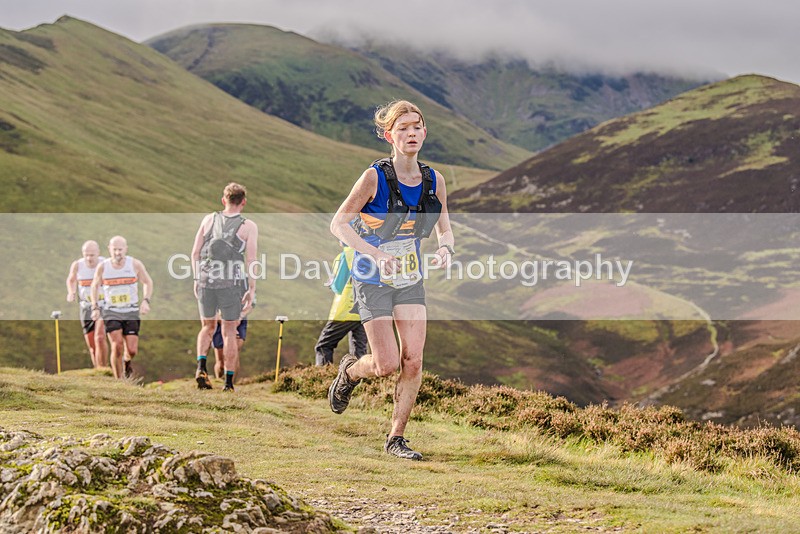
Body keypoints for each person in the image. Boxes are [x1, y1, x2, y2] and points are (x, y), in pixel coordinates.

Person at [328, 100, 455, 460]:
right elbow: (338, 224)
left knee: (413, 360)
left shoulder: (434, 180)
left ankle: (396, 438)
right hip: (371, 277)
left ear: (424, 132)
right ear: (389, 135)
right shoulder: (374, 177)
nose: (411, 133)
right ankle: (351, 371)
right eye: (403, 128)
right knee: (386, 365)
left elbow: (445, 229)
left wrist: (447, 249)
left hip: (410, 279)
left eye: (417, 126)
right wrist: (377, 255)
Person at [192, 182, 258, 392]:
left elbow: (195, 253)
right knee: (229, 331)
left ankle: (201, 367)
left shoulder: (208, 219)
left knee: (207, 327)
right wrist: (251, 288)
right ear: (243, 202)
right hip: (231, 284)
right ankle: (228, 383)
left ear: (224, 200)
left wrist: (196, 278)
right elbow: (251, 260)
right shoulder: (248, 226)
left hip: (206, 281)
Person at [90, 236, 153, 380]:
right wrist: (95, 307)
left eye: (120, 249)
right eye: (114, 249)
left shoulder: (134, 264)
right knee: (116, 344)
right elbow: (94, 285)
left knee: (132, 350)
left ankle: (127, 361)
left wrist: (145, 301)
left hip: (131, 311)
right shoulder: (103, 266)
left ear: (126, 249)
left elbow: (148, 282)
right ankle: (119, 379)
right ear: (109, 249)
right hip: (111, 311)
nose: (117, 252)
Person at [315, 245, 367, 366]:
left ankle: (322, 377)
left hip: (345, 310)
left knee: (324, 346)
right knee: (359, 351)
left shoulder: (346, 255)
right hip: (364, 310)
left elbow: (338, 287)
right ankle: (361, 382)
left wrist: (331, 283)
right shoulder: (368, 252)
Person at [66, 240, 108, 369]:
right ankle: (97, 370)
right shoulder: (78, 265)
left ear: (98, 253)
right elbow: (71, 280)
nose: (89, 258)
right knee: (91, 345)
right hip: (86, 306)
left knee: (99, 338)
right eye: (86, 255)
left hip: (103, 305)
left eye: (92, 255)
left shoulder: (105, 263)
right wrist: (71, 292)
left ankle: (104, 368)